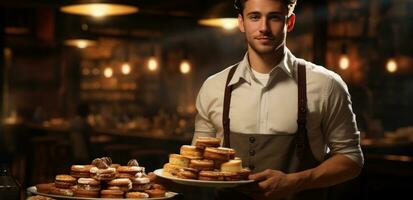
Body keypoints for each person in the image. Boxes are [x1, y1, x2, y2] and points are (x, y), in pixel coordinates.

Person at [192, 0, 363, 199]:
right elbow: (197, 160)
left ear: (289, 22)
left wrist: (296, 181)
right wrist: (162, 181)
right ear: (241, 22)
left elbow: (351, 159)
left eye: (274, 17)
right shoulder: (214, 87)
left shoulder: (326, 84)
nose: (263, 28)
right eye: (255, 17)